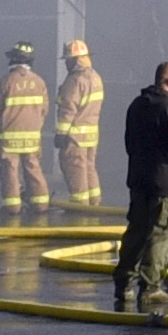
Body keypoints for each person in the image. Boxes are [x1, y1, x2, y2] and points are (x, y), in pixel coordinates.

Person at [118, 59, 168, 316]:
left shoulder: (137, 106)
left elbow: (129, 143)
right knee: (161, 235)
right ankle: (151, 287)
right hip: (167, 185)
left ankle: (124, 282)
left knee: (137, 231)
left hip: (139, 180)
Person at [0, 48, 52, 220]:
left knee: (10, 170)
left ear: (15, 60)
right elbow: (44, 110)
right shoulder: (39, 82)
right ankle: (40, 205)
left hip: (9, 138)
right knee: (33, 168)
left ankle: (13, 208)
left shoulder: (7, 82)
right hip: (32, 137)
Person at [53, 37, 108, 215]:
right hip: (92, 135)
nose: (66, 64)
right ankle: (94, 204)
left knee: (75, 170)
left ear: (76, 60)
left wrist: (61, 133)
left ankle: (79, 208)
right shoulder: (96, 77)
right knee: (89, 169)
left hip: (74, 136)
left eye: (68, 60)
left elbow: (68, 108)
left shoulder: (74, 80)